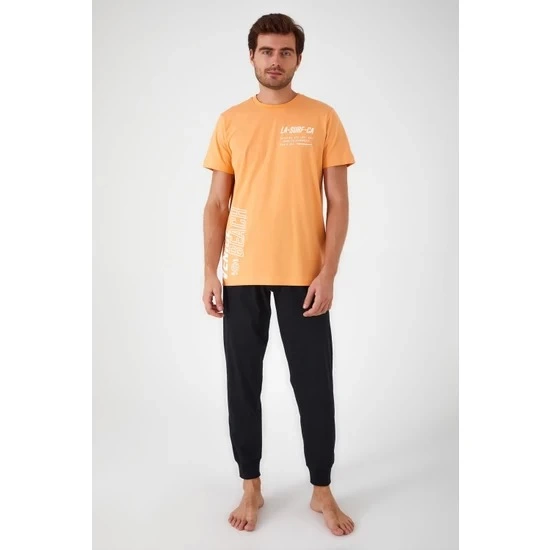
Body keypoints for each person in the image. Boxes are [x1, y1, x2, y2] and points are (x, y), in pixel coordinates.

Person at [202, 13, 356, 536]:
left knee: (314, 384)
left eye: (285, 52)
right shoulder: (230, 121)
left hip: (304, 273)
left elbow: (338, 203)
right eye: (266, 51)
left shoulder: (323, 117)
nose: (275, 60)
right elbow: (217, 203)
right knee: (242, 383)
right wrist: (210, 271)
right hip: (243, 269)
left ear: (298, 59)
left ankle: (321, 490)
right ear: (252, 56)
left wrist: (328, 272)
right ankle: (251, 485)